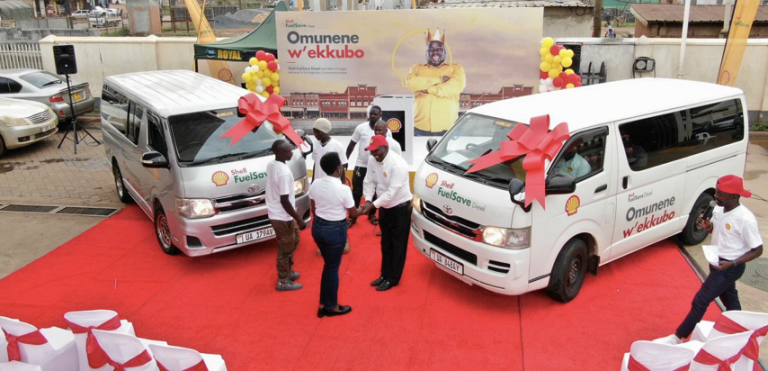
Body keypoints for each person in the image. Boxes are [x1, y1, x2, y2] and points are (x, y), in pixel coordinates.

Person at [654, 175, 763, 345]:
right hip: (717, 262)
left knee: (701, 300)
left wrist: (732, 263)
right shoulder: (718, 209)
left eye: (721, 194)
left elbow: (757, 249)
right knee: (730, 300)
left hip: (729, 267)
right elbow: (720, 231)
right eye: (717, 192)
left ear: (734, 197)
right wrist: (708, 227)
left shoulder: (745, 219)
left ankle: (677, 337)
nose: (716, 196)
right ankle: (741, 332)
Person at [310, 152, 361, 318]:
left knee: (328, 266)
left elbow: (313, 208)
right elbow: (353, 214)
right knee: (332, 268)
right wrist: (364, 208)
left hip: (318, 227)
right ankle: (332, 307)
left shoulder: (315, 183)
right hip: (335, 230)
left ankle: (323, 303)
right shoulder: (343, 189)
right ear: (339, 168)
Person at [359, 135, 413, 291]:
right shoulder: (372, 160)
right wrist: (367, 200)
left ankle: (393, 278)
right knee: (385, 243)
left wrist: (372, 206)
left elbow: (391, 193)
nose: (374, 154)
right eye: (371, 151)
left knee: (398, 244)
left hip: (400, 208)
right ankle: (384, 274)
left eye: (376, 151)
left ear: (385, 147)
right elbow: (369, 181)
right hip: (384, 206)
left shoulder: (398, 164)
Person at [302, 118, 351, 254]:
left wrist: (341, 185)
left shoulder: (337, 146)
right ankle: (324, 243)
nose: (315, 135)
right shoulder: (316, 145)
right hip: (319, 186)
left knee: (338, 214)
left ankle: (344, 240)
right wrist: (313, 181)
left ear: (325, 131)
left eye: (318, 132)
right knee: (321, 214)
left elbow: (343, 166)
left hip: (334, 186)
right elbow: (315, 164)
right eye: (314, 132)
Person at [406, 28, 466, 136]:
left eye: (439, 49)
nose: (435, 52)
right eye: (431, 49)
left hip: (448, 129)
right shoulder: (417, 68)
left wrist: (428, 89)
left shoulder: (456, 68)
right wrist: (439, 79)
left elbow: (455, 87)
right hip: (420, 128)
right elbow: (411, 83)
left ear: (445, 52)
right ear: (426, 52)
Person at [266, 139, 307, 292]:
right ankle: (283, 280)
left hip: (281, 214)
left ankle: (289, 271)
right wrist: (299, 219)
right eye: (287, 151)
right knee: (285, 247)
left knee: (293, 240)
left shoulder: (272, 164)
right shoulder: (283, 172)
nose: (291, 153)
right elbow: (284, 200)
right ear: (278, 153)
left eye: (290, 149)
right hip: (281, 215)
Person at [345, 105, 391, 228]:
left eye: (375, 114)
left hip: (378, 166)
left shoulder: (387, 132)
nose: (373, 116)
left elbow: (388, 148)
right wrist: (345, 160)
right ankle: (353, 216)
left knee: (376, 191)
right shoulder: (361, 128)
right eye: (371, 113)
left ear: (380, 115)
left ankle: (372, 214)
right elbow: (352, 144)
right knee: (356, 191)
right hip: (361, 165)